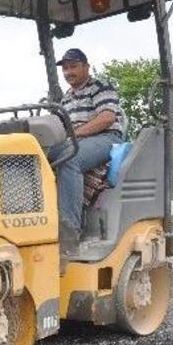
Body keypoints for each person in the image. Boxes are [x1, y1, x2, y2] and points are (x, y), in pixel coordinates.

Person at [50, 48, 125, 253]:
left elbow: (107, 118)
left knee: (70, 159)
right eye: (65, 69)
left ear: (86, 67)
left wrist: (75, 135)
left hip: (106, 137)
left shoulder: (100, 87)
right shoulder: (66, 98)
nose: (68, 72)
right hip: (77, 140)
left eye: (73, 67)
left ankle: (70, 232)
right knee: (37, 157)